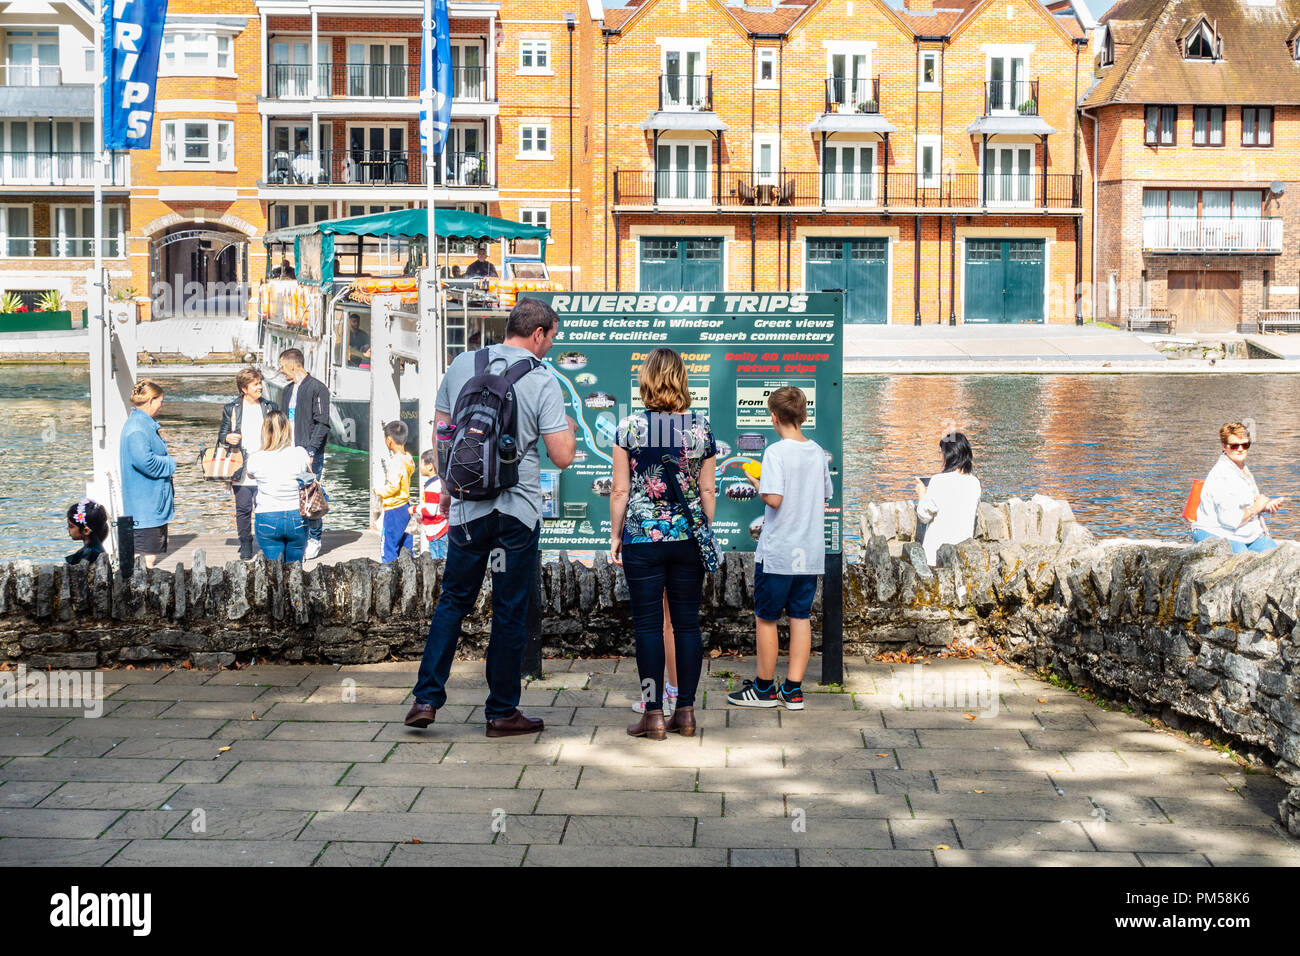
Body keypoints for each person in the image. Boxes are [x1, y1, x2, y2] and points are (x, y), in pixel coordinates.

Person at [406, 298, 577, 737]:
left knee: (453, 601)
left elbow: (442, 432)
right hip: (515, 513)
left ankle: (427, 697)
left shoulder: (464, 364)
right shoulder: (542, 379)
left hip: (468, 509)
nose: (550, 348)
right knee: (508, 609)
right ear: (537, 334)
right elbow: (562, 457)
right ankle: (501, 712)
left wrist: (447, 484)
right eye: (551, 338)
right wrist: (568, 430)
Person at [611, 348, 716, 740]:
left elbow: (620, 490)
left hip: (642, 537)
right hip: (688, 538)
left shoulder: (629, 428)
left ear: (648, 381)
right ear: (681, 379)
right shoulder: (700, 428)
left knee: (649, 628)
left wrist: (615, 536)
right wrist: (703, 526)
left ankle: (653, 714)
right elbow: (708, 488)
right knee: (688, 625)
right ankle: (686, 713)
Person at [727, 386, 832, 711]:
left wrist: (758, 484)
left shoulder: (775, 452)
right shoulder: (817, 452)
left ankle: (763, 689)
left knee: (767, 619)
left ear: (774, 417)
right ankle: (794, 690)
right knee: (801, 617)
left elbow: (774, 499)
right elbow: (824, 494)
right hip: (809, 552)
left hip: (779, 553)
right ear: (803, 416)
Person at [1192, 422, 1284, 554]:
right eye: (1234, 446)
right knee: (1242, 560)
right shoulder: (1221, 474)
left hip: (1245, 532)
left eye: (1245, 445)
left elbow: (1244, 503)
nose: (1240, 449)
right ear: (1224, 446)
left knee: (1277, 555)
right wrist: (1256, 508)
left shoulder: (1241, 468)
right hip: (1215, 530)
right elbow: (1230, 519)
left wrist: (1265, 507)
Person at [217, 367, 278, 560]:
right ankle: (245, 543)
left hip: (266, 465)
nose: (260, 387)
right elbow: (221, 435)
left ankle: (268, 542)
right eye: (255, 384)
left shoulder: (270, 407)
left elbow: (279, 432)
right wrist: (228, 438)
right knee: (243, 508)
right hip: (240, 464)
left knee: (266, 506)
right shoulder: (232, 408)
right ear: (244, 388)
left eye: (260, 383)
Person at [278, 348, 331, 559]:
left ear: (293, 365)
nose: (281, 371)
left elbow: (322, 423)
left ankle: (314, 538)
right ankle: (298, 535)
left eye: (282, 366)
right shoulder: (287, 390)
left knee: (311, 494)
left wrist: (311, 450)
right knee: (291, 495)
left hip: (308, 452)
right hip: (287, 451)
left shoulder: (318, 389)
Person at [120, 379, 176, 569]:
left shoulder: (143, 424)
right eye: (160, 401)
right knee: (145, 560)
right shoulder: (137, 429)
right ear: (151, 401)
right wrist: (170, 463)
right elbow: (146, 462)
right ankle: (140, 597)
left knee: (146, 560)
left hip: (150, 506)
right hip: (145, 508)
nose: (162, 405)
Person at [245, 411, 312, 563]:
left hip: (267, 516)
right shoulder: (300, 453)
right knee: (295, 570)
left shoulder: (256, 458)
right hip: (297, 516)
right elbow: (308, 474)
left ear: (265, 431)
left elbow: (250, 474)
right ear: (288, 430)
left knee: (273, 573)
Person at [914, 430, 982, 567]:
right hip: (962, 554)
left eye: (942, 453)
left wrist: (922, 494)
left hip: (936, 554)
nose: (941, 457)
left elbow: (924, 515)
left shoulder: (939, 481)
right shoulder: (974, 483)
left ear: (949, 455)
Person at [376, 420, 415, 563]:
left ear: (389, 440)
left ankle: (389, 574)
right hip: (406, 506)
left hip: (393, 509)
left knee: (388, 547)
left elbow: (393, 487)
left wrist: (378, 491)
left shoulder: (395, 462)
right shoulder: (408, 459)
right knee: (406, 547)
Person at [414, 448, 449, 559]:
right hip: (440, 529)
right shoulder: (439, 482)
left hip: (437, 532)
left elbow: (430, 511)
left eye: (421, 463)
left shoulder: (432, 487)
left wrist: (415, 509)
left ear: (430, 466)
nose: (420, 466)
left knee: (438, 561)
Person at [65, 499, 109, 565]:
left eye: (71, 526)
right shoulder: (95, 548)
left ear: (86, 531)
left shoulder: (89, 554)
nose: (67, 528)